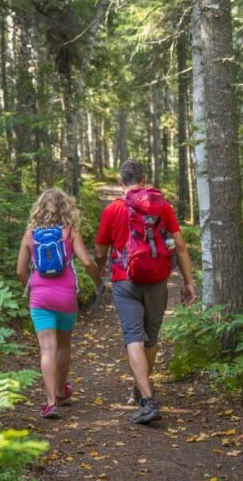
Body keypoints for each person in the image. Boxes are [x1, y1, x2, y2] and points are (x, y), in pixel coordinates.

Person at [95, 160, 198, 424]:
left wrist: (102, 267)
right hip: (157, 280)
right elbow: (181, 246)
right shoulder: (163, 206)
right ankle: (143, 391)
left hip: (124, 279)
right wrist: (188, 282)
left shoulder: (112, 209)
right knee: (150, 338)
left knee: (133, 337)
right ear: (144, 178)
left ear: (121, 182)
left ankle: (147, 398)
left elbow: (99, 252)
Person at [17, 188, 102, 419]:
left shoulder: (30, 233)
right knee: (64, 345)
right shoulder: (69, 231)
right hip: (66, 296)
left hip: (40, 296)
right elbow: (86, 261)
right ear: (66, 207)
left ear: (39, 208)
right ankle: (60, 391)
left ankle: (50, 402)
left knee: (47, 348)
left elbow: (20, 270)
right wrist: (98, 281)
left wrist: (32, 287)